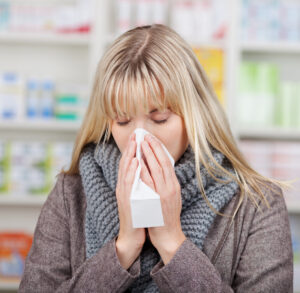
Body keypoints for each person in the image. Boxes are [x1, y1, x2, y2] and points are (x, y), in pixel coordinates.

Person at [19, 24, 294, 292]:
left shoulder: (258, 204)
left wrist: (172, 242)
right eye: (123, 120)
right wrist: (123, 248)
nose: (140, 138)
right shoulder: (70, 195)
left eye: (159, 118)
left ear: (195, 115)